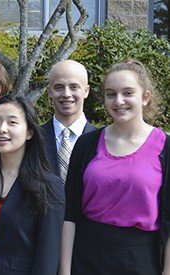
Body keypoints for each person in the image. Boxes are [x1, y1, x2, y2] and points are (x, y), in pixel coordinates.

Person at [59, 60, 170, 274]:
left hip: (142, 261)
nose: (119, 101)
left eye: (127, 93)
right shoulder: (86, 143)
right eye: (111, 94)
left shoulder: (166, 147)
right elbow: (70, 214)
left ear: (145, 97)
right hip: (87, 259)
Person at [0, 95, 65, 274]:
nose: (2, 129)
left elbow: (47, 256)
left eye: (12, 122)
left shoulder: (48, 186)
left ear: (29, 132)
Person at [40, 60, 95, 182]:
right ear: (49, 91)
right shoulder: (34, 139)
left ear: (86, 91)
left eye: (73, 87)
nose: (66, 94)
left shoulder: (102, 141)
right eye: (59, 87)